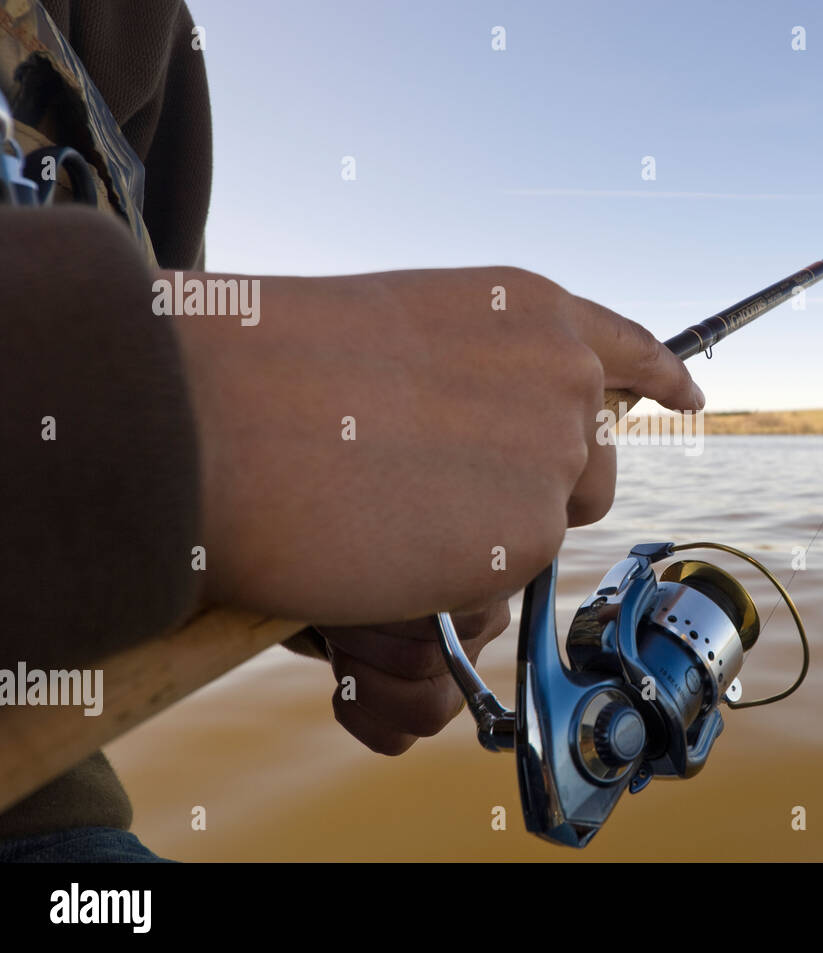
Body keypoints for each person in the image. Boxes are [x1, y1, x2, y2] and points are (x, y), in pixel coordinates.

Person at [0, 1, 704, 861]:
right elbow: (164, 401)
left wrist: (317, 580)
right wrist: (219, 412)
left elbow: (119, 513)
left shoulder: (153, 36)